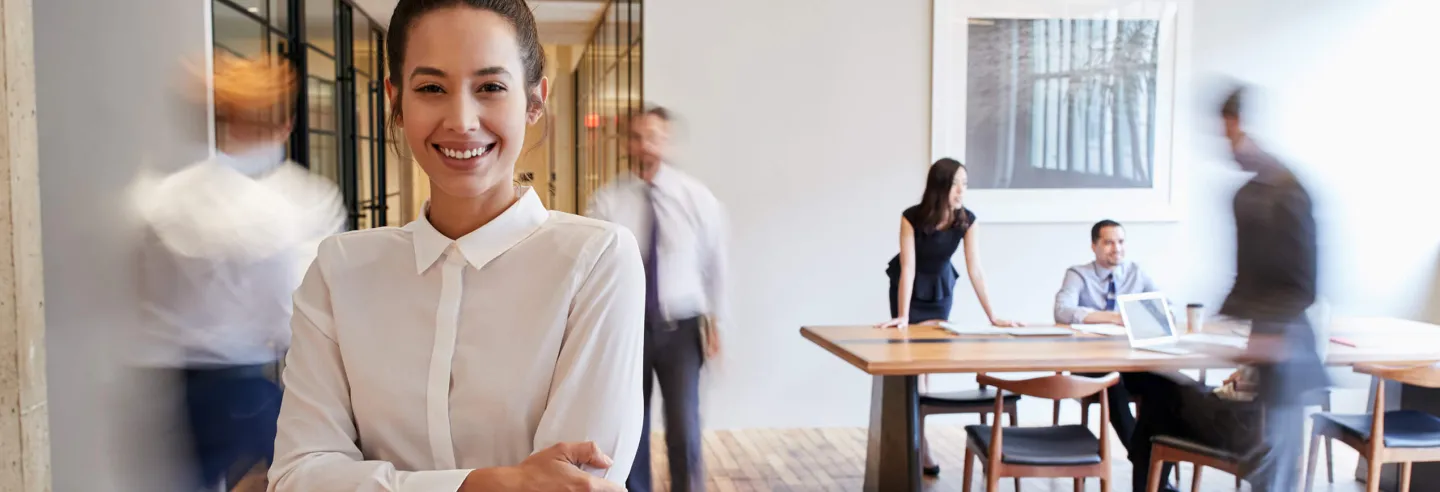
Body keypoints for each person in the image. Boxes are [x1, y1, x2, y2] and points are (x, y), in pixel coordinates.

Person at [266, 1, 644, 491]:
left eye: (490, 87)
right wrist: (489, 484)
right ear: (396, 101)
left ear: (534, 101)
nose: (462, 120)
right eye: (431, 88)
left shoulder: (595, 260)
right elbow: (297, 477)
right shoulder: (341, 270)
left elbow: (577, 482)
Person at [133, 52, 345, 491]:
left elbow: (147, 298)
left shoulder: (161, 199)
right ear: (286, 123)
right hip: (252, 385)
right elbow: (299, 315)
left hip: (179, 391)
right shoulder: (295, 207)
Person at [1127, 86, 1325, 492]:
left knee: (1272, 470)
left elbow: (1302, 287)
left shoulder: (1290, 195)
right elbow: (1246, 282)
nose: (1229, 146)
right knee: (1156, 393)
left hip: (1282, 366)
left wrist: (1266, 341)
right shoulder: (1245, 196)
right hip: (1259, 367)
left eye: (1232, 134)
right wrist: (1218, 331)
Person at [586, 105, 727, 492]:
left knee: (684, 425)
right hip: (628, 329)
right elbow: (597, 273)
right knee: (632, 426)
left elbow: (715, 265)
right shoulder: (607, 201)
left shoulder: (696, 198)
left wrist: (718, 323)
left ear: (666, 142)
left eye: (654, 136)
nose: (645, 144)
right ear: (626, 142)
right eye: (637, 136)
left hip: (682, 327)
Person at [878, 158, 1021, 476]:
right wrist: (903, 316)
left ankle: (918, 440)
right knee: (911, 370)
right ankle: (920, 445)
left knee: (927, 366)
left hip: (940, 290)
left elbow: (975, 269)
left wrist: (993, 315)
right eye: (956, 183)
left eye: (965, 184)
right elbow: (909, 267)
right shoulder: (911, 217)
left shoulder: (967, 220)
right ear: (939, 186)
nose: (961, 190)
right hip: (909, 290)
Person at [1053, 219, 1160, 462]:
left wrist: (1143, 315)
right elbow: (1062, 311)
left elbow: (1164, 309)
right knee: (1112, 384)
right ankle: (1144, 460)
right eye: (1109, 242)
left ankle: (1158, 462)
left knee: (1163, 385)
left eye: (1121, 242)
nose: (1117, 248)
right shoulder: (1079, 274)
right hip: (1092, 363)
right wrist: (1113, 317)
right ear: (1094, 246)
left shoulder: (1137, 273)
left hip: (1131, 361)